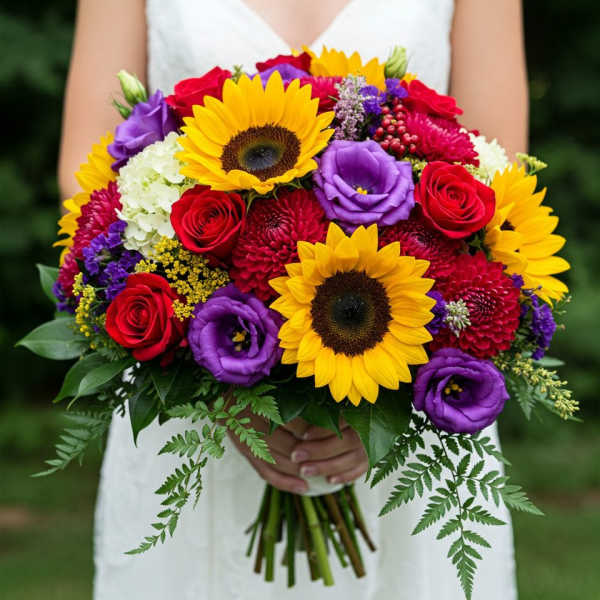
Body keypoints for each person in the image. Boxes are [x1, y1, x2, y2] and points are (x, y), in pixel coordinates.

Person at [58, 1, 528, 598]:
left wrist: (384, 406)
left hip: (410, 403)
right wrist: (224, 377)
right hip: (194, 416)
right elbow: (86, 174)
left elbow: (498, 181)